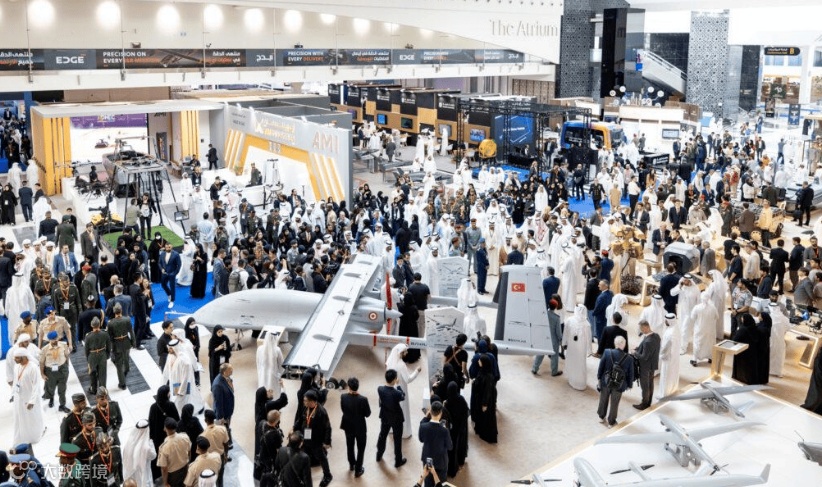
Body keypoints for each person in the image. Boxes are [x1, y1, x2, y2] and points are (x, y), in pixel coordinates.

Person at [293, 389, 333, 486]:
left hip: (316, 440)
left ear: (312, 401)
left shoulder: (321, 412)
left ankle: (327, 475)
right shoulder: (306, 407)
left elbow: (328, 427)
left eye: (305, 400)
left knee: (321, 457)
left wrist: (327, 442)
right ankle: (302, 474)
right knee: (303, 456)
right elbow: (301, 419)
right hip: (305, 439)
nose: (304, 402)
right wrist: (294, 428)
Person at [596, 336, 635, 428]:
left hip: (606, 381)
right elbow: (631, 374)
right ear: (624, 345)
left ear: (615, 343)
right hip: (619, 385)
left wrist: (599, 378)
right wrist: (629, 385)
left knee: (603, 399)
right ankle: (611, 422)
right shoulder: (629, 358)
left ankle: (601, 417)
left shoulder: (607, 352)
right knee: (615, 403)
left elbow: (601, 367)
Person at [385, 343, 421, 438]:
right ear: (400, 353)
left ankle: (391, 429)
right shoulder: (401, 365)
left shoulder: (390, 361)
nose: (407, 353)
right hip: (401, 389)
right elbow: (408, 379)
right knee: (402, 410)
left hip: (391, 389)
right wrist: (416, 371)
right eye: (405, 351)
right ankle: (404, 432)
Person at [10, 348, 44, 445]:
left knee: (32, 418)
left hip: (30, 398)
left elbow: (36, 386)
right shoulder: (16, 367)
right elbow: (15, 381)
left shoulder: (33, 367)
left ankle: (34, 436)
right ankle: (22, 437)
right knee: (20, 418)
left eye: (17, 358)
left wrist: (32, 401)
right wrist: (13, 394)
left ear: (23, 357)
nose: (15, 359)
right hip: (19, 398)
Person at [340, 377, 371, 477]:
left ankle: (352, 464)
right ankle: (358, 470)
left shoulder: (343, 397)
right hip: (360, 427)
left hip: (348, 425)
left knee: (350, 446)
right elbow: (368, 414)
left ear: (349, 387)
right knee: (361, 448)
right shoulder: (363, 399)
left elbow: (343, 409)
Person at [418, 400, 452, 487]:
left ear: (430, 411)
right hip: (441, 462)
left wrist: (426, 417)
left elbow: (421, 439)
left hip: (427, 460)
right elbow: (450, 447)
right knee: (441, 483)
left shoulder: (423, 426)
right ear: (440, 413)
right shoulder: (444, 431)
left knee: (428, 482)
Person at [376, 369, 406, 469]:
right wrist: (398, 385)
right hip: (396, 419)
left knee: (382, 435)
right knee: (397, 440)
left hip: (385, 416)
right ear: (394, 380)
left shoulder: (380, 389)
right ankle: (398, 461)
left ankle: (379, 455)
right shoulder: (397, 393)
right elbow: (403, 396)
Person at [148, 386, 180, 480]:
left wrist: (151, 436)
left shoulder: (153, 407)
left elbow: (150, 422)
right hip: (169, 435)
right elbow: (177, 420)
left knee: (159, 455)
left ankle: (157, 474)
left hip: (157, 436)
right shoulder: (171, 405)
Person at [631, 320, 660, 410]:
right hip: (652, 364)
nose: (641, 330)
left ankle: (644, 404)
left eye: (641, 328)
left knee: (645, 386)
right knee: (650, 383)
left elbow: (644, 357)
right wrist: (639, 348)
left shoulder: (648, 341)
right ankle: (648, 402)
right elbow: (650, 349)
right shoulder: (656, 336)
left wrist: (634, 353)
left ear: (646, 327)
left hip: (645, 366)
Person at [563, 304, 592, 391]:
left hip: (572, 346)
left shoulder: (570, 320)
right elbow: (589, 339)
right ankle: (579, 382)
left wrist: (564, 343)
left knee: (573, 362)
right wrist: (589, 350)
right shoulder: (587, 324)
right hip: (581, 347)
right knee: (580, 363)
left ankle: (574, 381)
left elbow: (565, 333)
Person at [39, 330, 70, 412]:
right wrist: (42, 374)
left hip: (62, 369)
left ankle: (62, 405)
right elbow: (41, 362)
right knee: (50, 387)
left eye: (55, 338)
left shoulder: (63, 345)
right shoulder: (45, 349)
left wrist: (67, 366)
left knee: (62, 389)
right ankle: (51, 398)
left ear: (58, 337)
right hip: (50, 371)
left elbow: (67, 355)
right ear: (49, 340)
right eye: (52, 339)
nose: (54, 340)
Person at [531, 298, 563, 376]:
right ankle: (554, 372)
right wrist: (561, 339)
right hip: (553, 340)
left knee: (540, 353)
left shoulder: (543, 314)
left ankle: (534, 369)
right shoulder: (556, 318)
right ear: (555, 307)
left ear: (548, 305)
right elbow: (558, 332)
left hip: (543, 338)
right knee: (554, 356)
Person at [470, 354, 498, 443]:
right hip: (480, 398)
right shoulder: (482, 371)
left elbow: (487, 392)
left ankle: (487, 435)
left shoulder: (488, 377)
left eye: (480, 360)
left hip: (485, 401)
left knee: (486, 417)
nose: (478, 361)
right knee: (481, 416)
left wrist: (485, 404)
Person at [731, 313, 765, 385]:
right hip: (753, 351)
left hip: (743, 351)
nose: (741, 319)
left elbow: (735, 339)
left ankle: (741, 377)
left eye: (742, 318)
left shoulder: (742, 329)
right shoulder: (755, 328)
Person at [443, 382, 468, 478]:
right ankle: (461, 460)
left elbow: (446, 417)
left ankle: (452, 469)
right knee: (461, 445)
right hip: (461, 428)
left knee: (452, 449)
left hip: (452, 430)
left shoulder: (448, 403)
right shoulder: (461, 399)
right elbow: (466, 412)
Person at [157, 417, 191, 487]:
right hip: (185, 468)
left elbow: (164, 468)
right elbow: (189, 451)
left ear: (165, 428)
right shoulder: (185, 437)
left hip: (173, 475)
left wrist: (165, 483)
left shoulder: (164, 447)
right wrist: (187, 463)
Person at [107, 304, 134, 390]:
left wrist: (110, 348)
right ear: (121, 310)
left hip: (117, 344)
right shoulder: (127, 319)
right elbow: (131, 332)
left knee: (119, 365)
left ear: (114, 312)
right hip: (126, 342)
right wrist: (133, 342)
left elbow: (110, 337)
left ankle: (122, 384)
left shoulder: (111, 323)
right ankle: (127, 369)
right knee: (126, 356)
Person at [122, 419, 156, 487]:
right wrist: (151, 443)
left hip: (131, 475)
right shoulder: (147, 447)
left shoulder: (129, 443)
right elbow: (153, 456)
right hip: (143, 475)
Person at [689, 291, 718, 367]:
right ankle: (710, 357)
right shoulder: (713, 308)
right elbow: (717, 317)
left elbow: (692, 317)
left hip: (700, 329)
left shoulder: (697, 307)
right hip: (710, 329)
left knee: (698, 343)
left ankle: (695, 359)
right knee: (709, 343)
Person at [257, 410, 284, 487]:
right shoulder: (276, 434)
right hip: (271, 459)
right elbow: (278, 450)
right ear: (276, 421)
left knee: (264, 474)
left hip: (262, 454)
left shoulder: (261, 423)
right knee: (271, 477)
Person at [211, 363, 235, 448]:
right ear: (224, 372)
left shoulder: (227, 378)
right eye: (230, 370)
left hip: (228, 410)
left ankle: (228, 441)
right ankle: (226, 445)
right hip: (223, 413)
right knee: (224, 428)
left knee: (227, 427)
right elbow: (218, 403)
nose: (232, 371)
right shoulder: (218, 385)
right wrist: (221, 417)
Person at [84, 317, 111, 395]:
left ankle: (94, 389)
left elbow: (86, 349)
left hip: (92, 356)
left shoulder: (88, 336)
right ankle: (102, 391)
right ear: (99, 325)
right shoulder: (105, 334)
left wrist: (88, 358)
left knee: (92, 373)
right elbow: (109, 346)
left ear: (91, 325)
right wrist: (107, 355)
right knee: (102, 374)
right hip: (102, 354)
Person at [658, 313, 681, 398]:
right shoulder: (675, 328)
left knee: (666, 375)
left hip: (668, 358)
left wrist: (661, 355)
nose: (665, 322)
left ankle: (664, 394)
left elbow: (666, 347)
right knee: (673, 374)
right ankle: (672, 390)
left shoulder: (670, 333)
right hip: (675, 357)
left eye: (666, 320)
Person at [257, 330, 284, 400]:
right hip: (274, 377)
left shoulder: (260, 349)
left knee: (264, 393)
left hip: (263, 375)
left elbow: (258, 363)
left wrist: (260, 373)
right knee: (274, 395)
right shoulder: (277, 350)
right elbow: (281, 365)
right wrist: (280, 375)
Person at [159, 242, 182, 308]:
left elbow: (179, 265)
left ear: (171, 247)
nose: (167, 248)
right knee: (163, 284)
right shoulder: (162, 253)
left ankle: (172, 300)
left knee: (172, 287)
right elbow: (159, 263)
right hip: (164, 273)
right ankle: (169, 294)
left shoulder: (176, 254)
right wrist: (161, 269)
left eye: (169, 247)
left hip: (172, 273)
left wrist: (175, 273)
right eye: (166, 247)